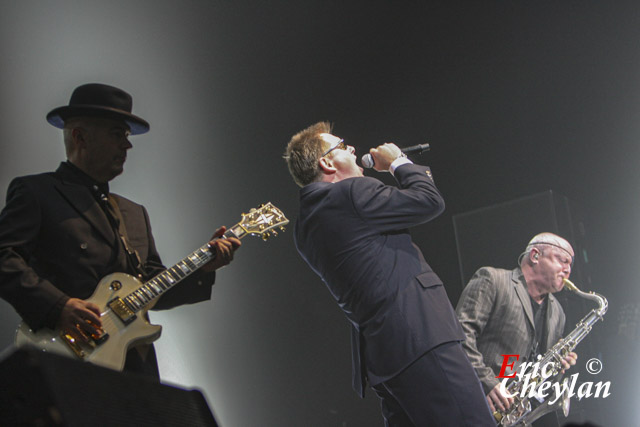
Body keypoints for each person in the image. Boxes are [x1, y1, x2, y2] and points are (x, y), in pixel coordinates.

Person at [0, 83, 241, 379]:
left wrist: (206, 267)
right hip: (67, 362)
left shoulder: (134, 213)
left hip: (135, 369)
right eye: (117, 134)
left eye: (127, 136)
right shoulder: (38, 193)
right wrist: (58, 307)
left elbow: (155, 289)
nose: (127, 145)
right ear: (80, 136)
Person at [284, 122, 495, 426]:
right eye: (343, 146)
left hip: (383, 359)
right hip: (421, 338)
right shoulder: (352, 192)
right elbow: (429, 201)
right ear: (327, 162)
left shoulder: (304, 228)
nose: (353, 148)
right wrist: (399, 162)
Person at [455, 232, 578, 420]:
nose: (568, 270)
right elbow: (459, 336)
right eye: (562, 260)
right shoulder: (493, 280)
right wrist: (488, 382)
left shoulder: (557, 312)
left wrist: (557, 366)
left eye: (570, 264)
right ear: (535, 256)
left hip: (512, 415)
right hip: (473, 403)